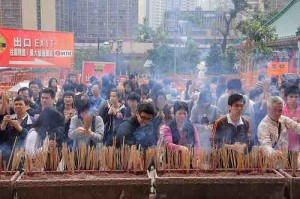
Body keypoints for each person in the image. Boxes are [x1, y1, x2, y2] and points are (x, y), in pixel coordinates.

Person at [0, 96, 34, 160]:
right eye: (16, 104)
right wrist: (3, 126)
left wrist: (20, 128)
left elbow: (32, 138)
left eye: (20, 104)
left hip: (23, 155)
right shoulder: (9, 118)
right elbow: (3, 138)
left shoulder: (32, 120)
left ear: (27, 107)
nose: (18, 106)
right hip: (7, 154)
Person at [282, 85, 300, 151]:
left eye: (296, 97)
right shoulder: (280, 111)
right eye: (291, 96)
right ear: (286, 97)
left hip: (297, 147)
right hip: (282, 147)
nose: (293, 99)